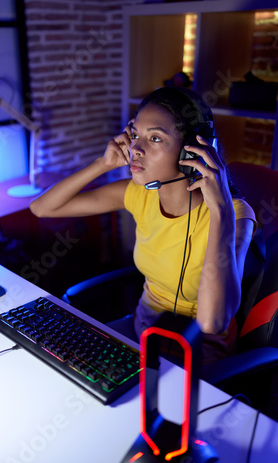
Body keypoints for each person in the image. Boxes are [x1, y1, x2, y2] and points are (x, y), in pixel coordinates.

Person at [30, 87, 256, 365]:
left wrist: (220, 208)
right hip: (140, 337)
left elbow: (212, 321)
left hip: (195, 361)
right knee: (58, 359)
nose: (136, 148)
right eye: (135, 134)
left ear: (193, 152)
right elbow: (42, 208)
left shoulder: (234, 214)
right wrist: (103, 163)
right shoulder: (139, 194)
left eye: (155, 138)